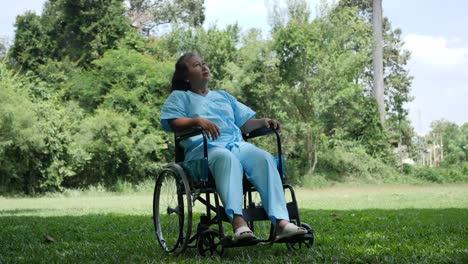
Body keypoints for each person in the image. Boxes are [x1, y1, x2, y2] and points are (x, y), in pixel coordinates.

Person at [160, 52, 307, 241]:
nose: (204, 67)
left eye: (204, 63)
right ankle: (238, 222)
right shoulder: (180, 97)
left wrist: (263, 121)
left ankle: (281, 222)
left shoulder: (223, 96)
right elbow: (172, 123)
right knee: (226, 158)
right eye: (196, 65)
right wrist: (197, 121)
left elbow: (244, 124)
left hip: (236, 144)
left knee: (262, 157)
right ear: (186, 76)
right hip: (204, 149)